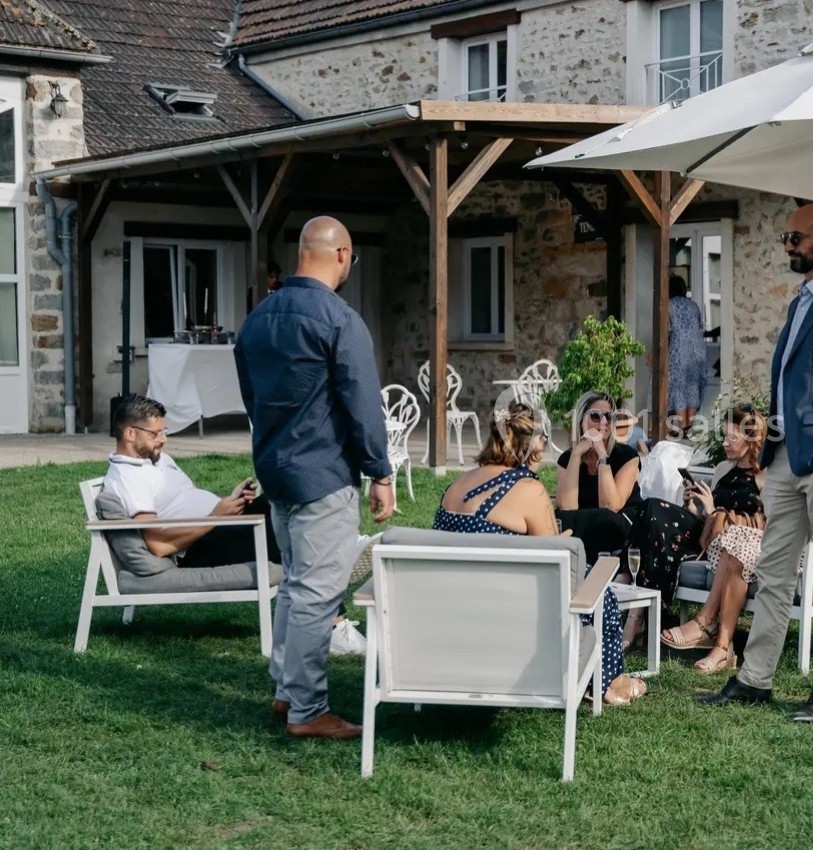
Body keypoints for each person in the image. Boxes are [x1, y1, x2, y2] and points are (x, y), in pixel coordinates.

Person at [700, 202, 813, 724]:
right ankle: (755, 679)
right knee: (774, 573)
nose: (786, 245)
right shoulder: (799, 302)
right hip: (783, 461)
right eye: (785, 237)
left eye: (793, 237)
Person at [235, 215, 395, 740]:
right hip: (321, 471)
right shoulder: (338, 319)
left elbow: (251, 399)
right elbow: (363, 404)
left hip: (276, 468)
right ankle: (307, 710)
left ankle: (286, 690)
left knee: (295, 585)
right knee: (318, 593)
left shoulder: (257, 319)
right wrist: (380, 471)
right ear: (343, 254)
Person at [102, 393, 366, 656]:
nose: (163, 439)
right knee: (287, 525)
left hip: (218, 526)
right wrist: (217, 516)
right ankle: (334, 622)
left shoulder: (158, 460)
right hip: (199, 549)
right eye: (155, 433)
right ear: (130, 434)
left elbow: (185, 503)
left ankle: (335, 549)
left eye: (164, 431)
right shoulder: (128, 478)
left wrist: (230, 503)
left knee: (287, 493)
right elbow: (158, 545)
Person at [433, 402, 645, 706]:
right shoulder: (527, 491)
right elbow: (556, 565)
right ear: (535, 447)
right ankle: (606, 681)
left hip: (455, 613)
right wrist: (563, 541)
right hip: (508, 616)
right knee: (594, 587)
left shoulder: (456, 487)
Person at [665, 421, 813, 675]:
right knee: (736, 539)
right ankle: (719, 643)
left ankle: (712, 633)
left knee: (742, 549)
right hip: (807, 544)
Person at [632, 404, 766, 605]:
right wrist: (692, 506)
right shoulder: (723, 469)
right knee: (650, 508)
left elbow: (757, 526)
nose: (724, 443)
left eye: (732, 437)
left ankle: (637, 606)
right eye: (724, 436)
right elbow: (706, 519)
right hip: (706, 532)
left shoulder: (763, 477)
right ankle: (639, 606)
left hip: (731, 545)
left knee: (653, 511)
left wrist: (712, 510)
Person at [554, 391, 642, 565]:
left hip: (620, 526)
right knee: (561, 519)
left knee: (605, 517)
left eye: (609, 417)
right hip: (585, 528)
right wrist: (577, 453)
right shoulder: (567, 459)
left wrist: (602, 455)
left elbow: (611, 506)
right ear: (580, 421)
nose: (603, 423)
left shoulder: (627, 456)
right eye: (595, 416)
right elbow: (567, 507)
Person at [668, 274, 708, 436]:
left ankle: (681, 426)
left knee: (678, 386)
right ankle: (690, 428)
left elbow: (667, 331)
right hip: (697, 350)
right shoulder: (693, 306)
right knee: (692, 385)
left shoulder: (669, 305)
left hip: (680, 349)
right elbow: (698, 326)